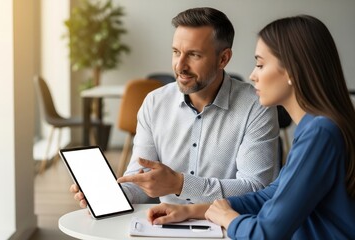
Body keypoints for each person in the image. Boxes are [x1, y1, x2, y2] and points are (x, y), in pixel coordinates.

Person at [147, 15, 355, 239]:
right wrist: (191, 210)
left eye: (260, 64)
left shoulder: (320, 133)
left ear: (292, 72)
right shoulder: (315, 127)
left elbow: (265, 233)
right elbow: (272, 196)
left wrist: (227, 217)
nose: (252, 75)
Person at [71, 7, 280, 207]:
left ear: (223, 58)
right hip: (162, 225)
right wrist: (111, 195)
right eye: (176, 52)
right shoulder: (154, 103)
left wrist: (180, 184)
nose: (180, 65)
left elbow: (256, 189)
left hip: (229, 228)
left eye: (194, 55)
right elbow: (141, 182)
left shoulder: (256, 106)